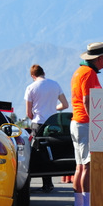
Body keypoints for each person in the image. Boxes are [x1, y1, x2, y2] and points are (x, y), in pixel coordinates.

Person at [70, 42, 103, 206]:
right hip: (86, 122)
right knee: (87, 166)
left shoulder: (79, 71)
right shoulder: (89, 73)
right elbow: (88, 100)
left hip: (77, 122)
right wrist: (96, 122)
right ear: (99, 58)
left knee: (80, 166)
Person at [24, 64, 69, 192]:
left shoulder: (31, 87)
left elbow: (28, 113)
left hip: (38, 123)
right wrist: (53, 109)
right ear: (43, 73)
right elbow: (65, 105)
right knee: (51, 152)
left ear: (33, 75)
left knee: (37, 152)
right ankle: (49, 183)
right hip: (53, 123)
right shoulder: (55, 84)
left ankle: (34, 182)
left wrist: (35, 116)